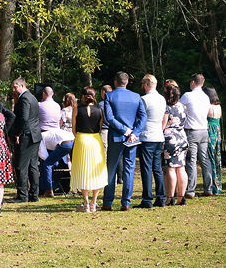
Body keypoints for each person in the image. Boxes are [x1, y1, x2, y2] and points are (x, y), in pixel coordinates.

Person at [101, 72, 147, 212]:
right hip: (132, 138)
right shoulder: (136, 96)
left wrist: (125, 131)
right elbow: (143, 117)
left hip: (117, 137)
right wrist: (134, 132)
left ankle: (108, 202)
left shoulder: (110, 96)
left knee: (112, 170)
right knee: (129, 170)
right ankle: (125, 202)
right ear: (126, 82)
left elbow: (109, 118)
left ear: (115, 82)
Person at [70, 87, 106, 213]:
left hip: (81, 139)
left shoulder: (76, 109)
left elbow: (73, 129)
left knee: (82, 170)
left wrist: (79, 136)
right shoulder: (100, 110)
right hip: (95, 140)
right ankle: (94, 203)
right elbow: (100, 128)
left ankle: (85, 203)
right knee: (96, 172)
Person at [8, 77, 42, 203]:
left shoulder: (25, 98)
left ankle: (22, 195)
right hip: (35, 135)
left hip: (27, 135)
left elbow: (24, 118)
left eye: (15, 87)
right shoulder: (32, 97)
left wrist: (17, 133)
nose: (14, 89)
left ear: (22, 86)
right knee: (33, 166)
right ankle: (34, 194)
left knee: (20, 165)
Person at [180, 74, 214, 198]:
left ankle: (190, 190)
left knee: (191, 161)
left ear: (193, 82)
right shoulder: (206, 97)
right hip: (204, 130)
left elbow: (179, 109)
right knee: (205, 160)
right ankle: (208, 188)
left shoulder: (187, 96)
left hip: (192, 130)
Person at [137, 75, 166, 208]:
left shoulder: (144, 99)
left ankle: (147, 199)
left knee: (146, 169)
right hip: (158, 135)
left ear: (146, 84)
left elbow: (140, 117)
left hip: (147, 136)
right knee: (157, 168)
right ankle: (161, 197)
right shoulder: (162, 99)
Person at [162, 81, 188, 206]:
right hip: (182, 137)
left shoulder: (166, 108)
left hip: (170, 139)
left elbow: (163, 124)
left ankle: (170, 197)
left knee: (170, 168)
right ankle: (181, 197)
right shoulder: (183, 106)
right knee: (181, 167)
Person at [38, 126, 74, 198]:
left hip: (65, 143)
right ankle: (78, 187)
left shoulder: (40, 139)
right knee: (74, 164)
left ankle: (49, 190)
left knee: (47, 165)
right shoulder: (46, 135)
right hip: (73, 141)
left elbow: (44, 157)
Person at [204, 86, 223, 195]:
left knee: (210, 158)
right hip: (217, 131)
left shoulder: (208, 107)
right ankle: (218, 185)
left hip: (210, 131)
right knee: (217, 158)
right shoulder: (218, 106)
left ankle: (212, 186)